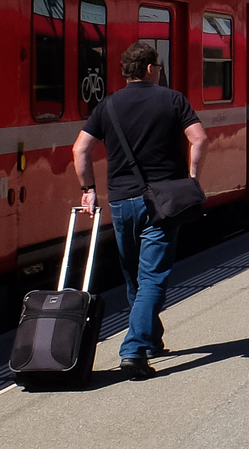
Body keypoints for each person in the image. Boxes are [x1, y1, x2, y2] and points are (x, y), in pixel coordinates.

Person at [73, 41, 207, 380]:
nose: (159, 71)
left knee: (134, 275)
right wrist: (192, 177)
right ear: (149, 68)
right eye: (158, 66)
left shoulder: (109, 105)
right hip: (162, 202)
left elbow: (81, 149)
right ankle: (133, 351)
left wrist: (88, 190)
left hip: (121, 203)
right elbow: (200, 138)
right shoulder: (173, 99)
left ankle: (151, 340)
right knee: (151, 279)